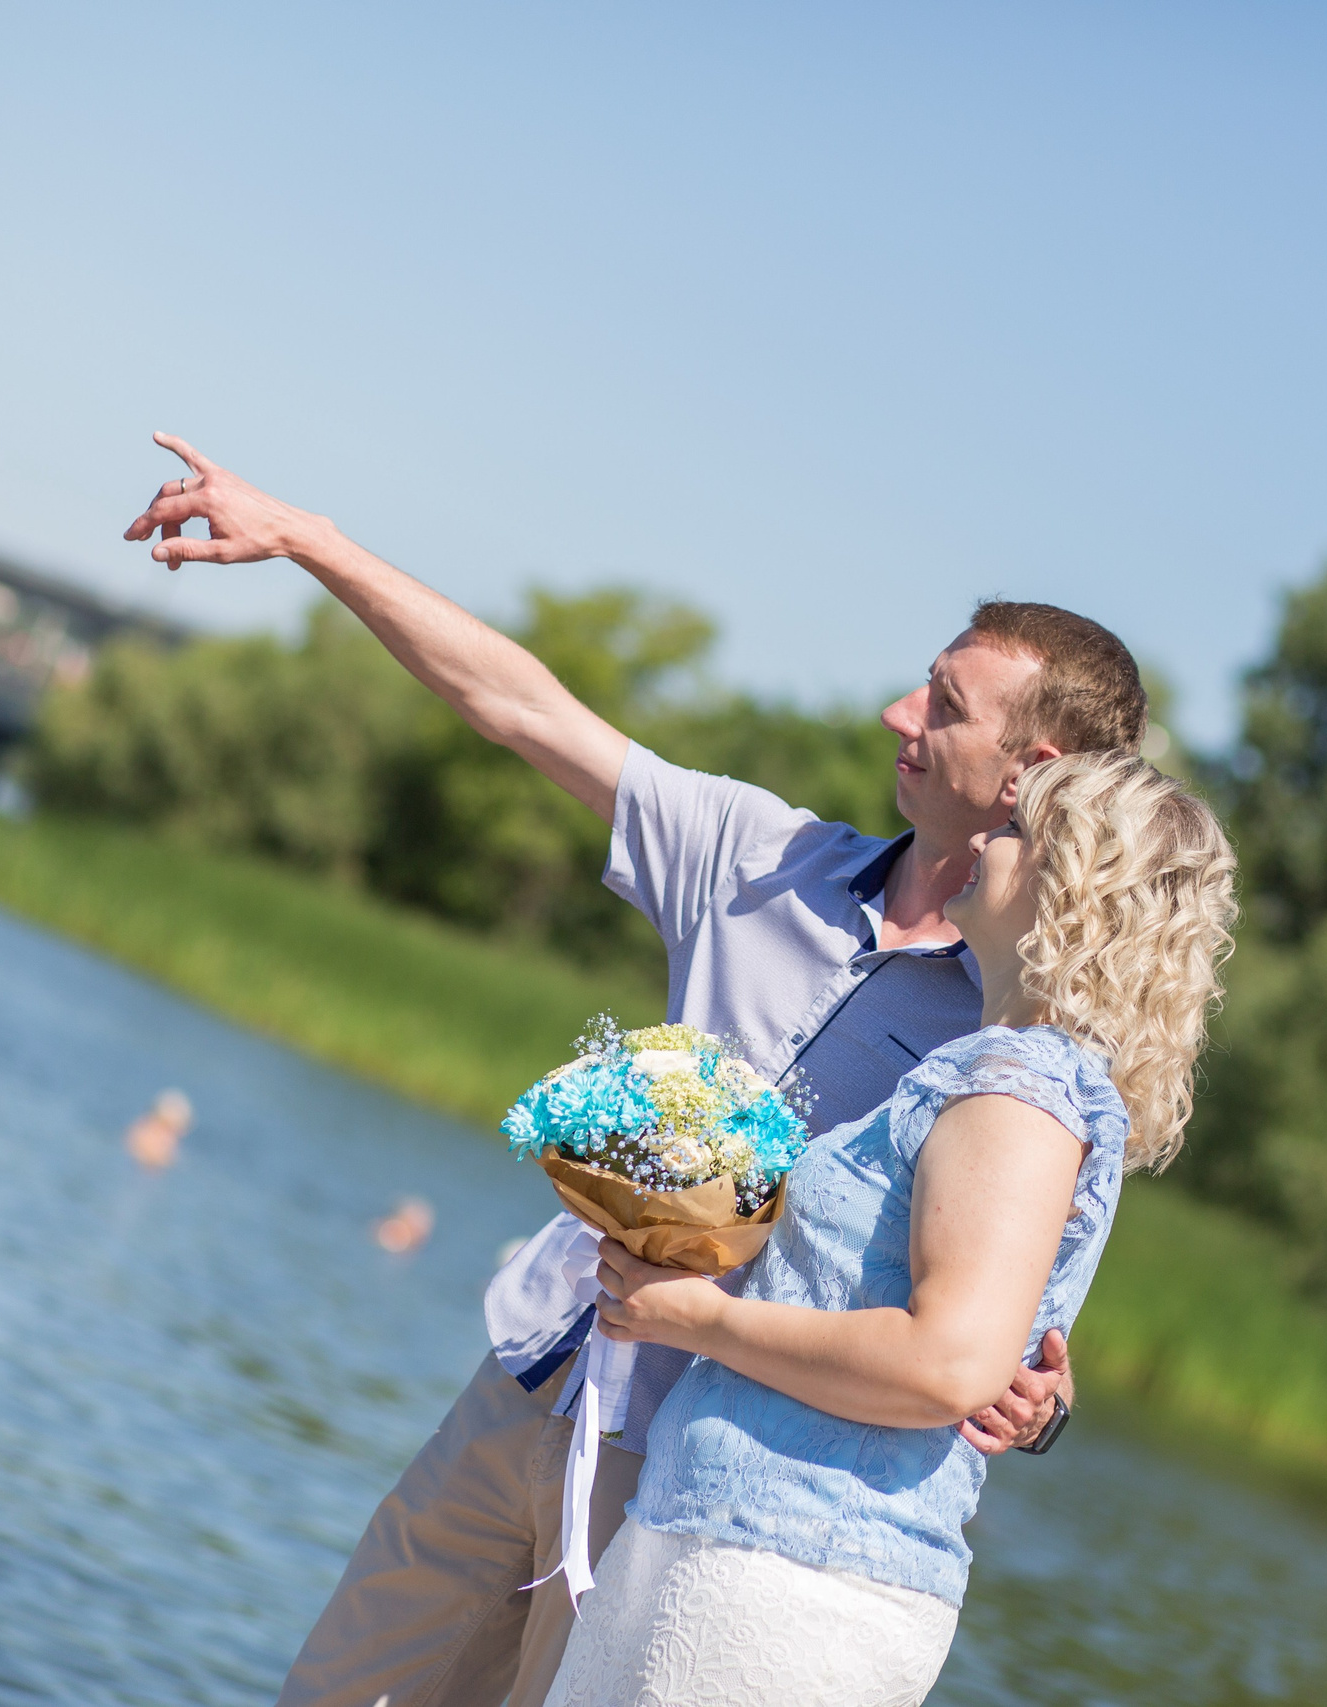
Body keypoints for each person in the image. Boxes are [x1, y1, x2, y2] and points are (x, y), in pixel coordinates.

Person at [121, 434, 1149, 1707]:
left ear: (1031, 773)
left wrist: (1038, 1403)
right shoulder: (756, 857)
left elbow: (999, 1335)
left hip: (688, 1493)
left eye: (943, 704)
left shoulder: (1015, 1039)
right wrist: (310, 540)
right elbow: (520, 705)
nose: (900, 714)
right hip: (530, 1384)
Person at [550, 749, 1236, 1706]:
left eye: (1015, 829)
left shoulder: (1017, 1089)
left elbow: (946, 1364)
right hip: (739, 1543)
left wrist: (698, 1318)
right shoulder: (1010, 1074)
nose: (985, 838)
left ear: (1070, 887)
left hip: (786, 1574)